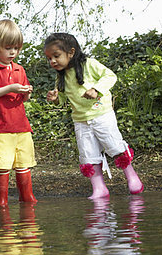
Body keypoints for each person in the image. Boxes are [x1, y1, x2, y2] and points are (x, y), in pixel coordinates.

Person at [44, 33, 143, 198]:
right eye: (49, 58)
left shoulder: (89, 64)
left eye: (56, 56)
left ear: (71, 52)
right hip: (81, 120)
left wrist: (96, 90)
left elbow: (110, 76)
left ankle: (132, 177)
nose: (52, 61)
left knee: (114, 145)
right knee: (87, 153)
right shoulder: (61, 76)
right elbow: (62, 99)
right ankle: (99, 188)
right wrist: (55, 99)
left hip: (101, 114)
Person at [0, 19, 37, 206]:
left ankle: (26, 197)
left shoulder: (20, 69)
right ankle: (2, 200)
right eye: (8, 48)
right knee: (2, 164)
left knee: (23, 163)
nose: (13, 52)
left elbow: (22, 100)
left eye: (17, 48)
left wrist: (26, 93)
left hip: (21, 126)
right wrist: (10, 87)